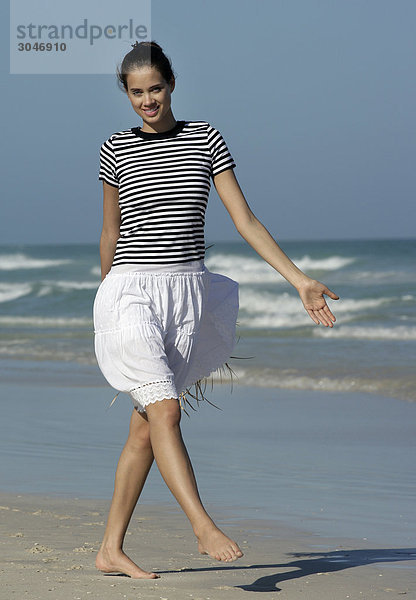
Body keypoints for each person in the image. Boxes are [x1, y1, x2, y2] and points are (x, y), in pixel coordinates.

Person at [92, 40, 339, 580]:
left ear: (172, 85)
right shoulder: (115, 147)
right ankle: (202, 525)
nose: (147, 101)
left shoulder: (205, 139)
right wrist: (105, 298)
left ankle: (110, 548)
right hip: (131, 289)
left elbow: (245, 221)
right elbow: (110, 232)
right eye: (136, 93)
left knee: (145, 428)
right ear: (127, 95)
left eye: (155, 88)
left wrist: (299, 281)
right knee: (167, 412)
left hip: (185, 297)